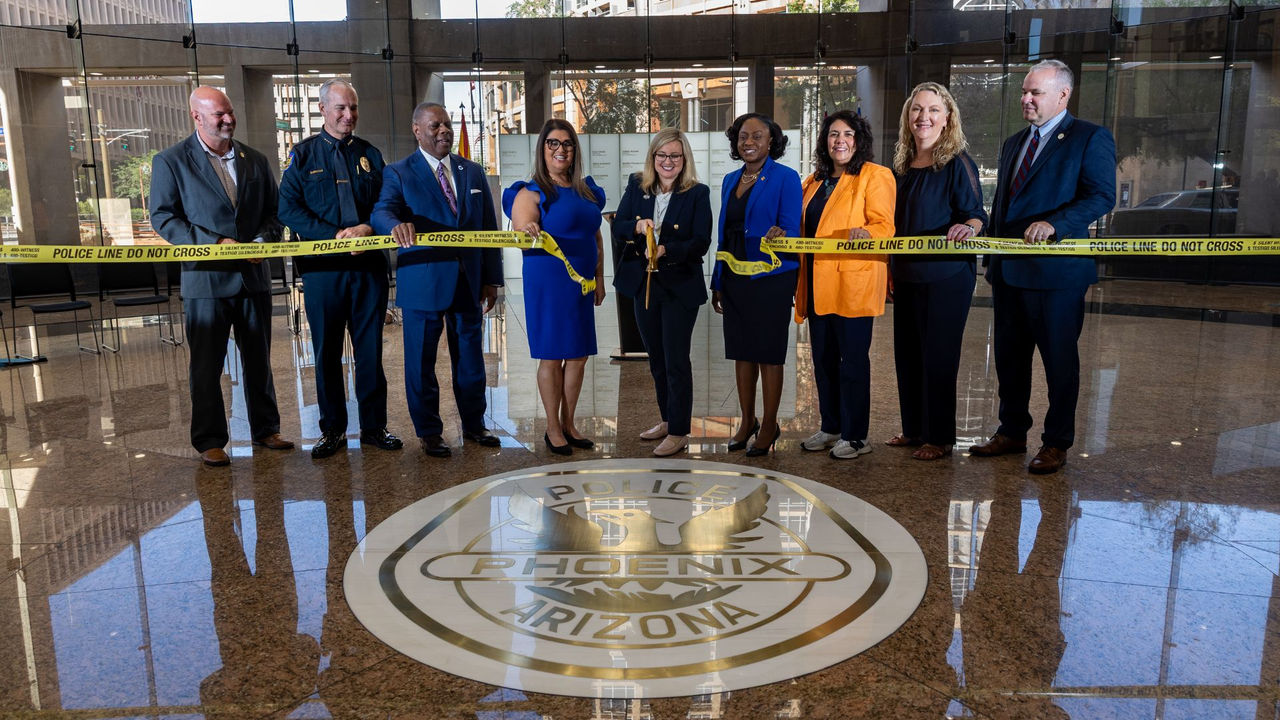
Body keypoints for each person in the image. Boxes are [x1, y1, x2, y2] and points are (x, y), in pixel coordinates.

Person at [970, 59, 1116, 474]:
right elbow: (1005, 205)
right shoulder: (1014, 142)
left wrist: (1056, 224)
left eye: (1035, 92)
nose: (1026, 99)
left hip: (1057, 276)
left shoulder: (1089, 138)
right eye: (1024, 91)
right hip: (1009, 273)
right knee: (1010, 360)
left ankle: (1056, 442)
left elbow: (1102, 196)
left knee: (1059, 362)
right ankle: (1012, 431)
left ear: (1063, 95)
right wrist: (990, 256)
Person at [149, 86, 293, 467]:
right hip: (206, 281)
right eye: (219, 115)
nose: (229, 120)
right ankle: (209, 440)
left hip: (253, 278)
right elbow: (163, 217)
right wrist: (215, 243)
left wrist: (262, 241)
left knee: (259, 360)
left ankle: (267, 429)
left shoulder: (255, 160)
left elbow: (275, 213)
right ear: (196, 117)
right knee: (206, 366)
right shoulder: (171, 162)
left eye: (230, 112)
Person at [370, 102, 504, 458]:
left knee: (471, 360)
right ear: (417, 130)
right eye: (435, 126)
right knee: (420, 363)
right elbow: (382, 211)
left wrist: (491, 279)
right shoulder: (399, 172)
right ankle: (429, 432)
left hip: (468, 281)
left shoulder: (472, 171)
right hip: (423, 281)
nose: (444, 130)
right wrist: (393, 226)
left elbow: (488, 227)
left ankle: (474, 424)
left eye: (447, 124)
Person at [278, 79, 402, 460]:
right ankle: (332, 429)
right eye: (341, 108)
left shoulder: (370, 155)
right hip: (323, 272)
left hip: (368, 269)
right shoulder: (302, 156)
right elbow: (288, 209)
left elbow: (387, 202)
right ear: (322, 110)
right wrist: (332, 235)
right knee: (327, 353)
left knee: (370, 353)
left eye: (354, 108)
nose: (349, 115)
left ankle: (374, 427)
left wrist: (367, 227)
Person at [889, 82, 988, 461]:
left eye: (932, 110)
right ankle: (914, 429)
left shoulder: (957, 162)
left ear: (947, 118)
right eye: (917, 109)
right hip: (907, 275)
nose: (923, 117)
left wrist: (969, 228)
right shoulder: (900, 166)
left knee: (939, 356)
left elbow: (977, 214)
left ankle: (940, 437)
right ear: (907, 117)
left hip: (946, 277)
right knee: (908, 355)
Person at [793, 111, 896, 460]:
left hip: (852, 284)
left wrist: (867, 232)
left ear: (859, 139)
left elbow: (885, 226)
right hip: (816, 284)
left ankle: (856, 436)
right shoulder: (814, 181)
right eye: (834, 134)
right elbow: (804, 228)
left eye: (848, 134)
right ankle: (832, 426)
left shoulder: (875, 176)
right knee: (822, 361)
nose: (840, 140)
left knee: (852, 361)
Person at [505, 119, 606, 456]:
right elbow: (522, 232)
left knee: (578, 356)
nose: (561, 149)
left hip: (581, 283)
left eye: (567, 143)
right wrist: (528, 229)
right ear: (542, 149)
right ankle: (552, 426)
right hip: (548, 282)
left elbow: (595, 237)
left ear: (575, 149)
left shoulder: (586, 191)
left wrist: (600, 278)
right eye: (553, 143)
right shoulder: (530, 192)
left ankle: (569, 423)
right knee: (551, 356)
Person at [612, 128, 712, 457]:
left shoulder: (697, 193)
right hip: (644, 285)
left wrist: (668, 249)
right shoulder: (637, 185)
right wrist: (637, 226)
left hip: (679, 287)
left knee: (675, 360)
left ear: (684, 159)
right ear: (653, 156)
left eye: (675, 156)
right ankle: (668, 420)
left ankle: (680, 431)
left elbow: (701, 241)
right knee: (656, 358)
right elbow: (618, 225)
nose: (668, 161)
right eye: (662, 155)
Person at [710, 113, 802, 457]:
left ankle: (769, 425)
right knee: (742, 352)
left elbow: (792, 228)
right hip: (735, 276)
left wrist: (782, 233)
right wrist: (718, 280)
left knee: (768, 353)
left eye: (757, 136)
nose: (749, 142)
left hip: (771, 278)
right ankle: (747, 420)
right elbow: (725, 234)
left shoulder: (786, 178)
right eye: (743, 137)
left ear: (771, 140)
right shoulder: (730, 180)